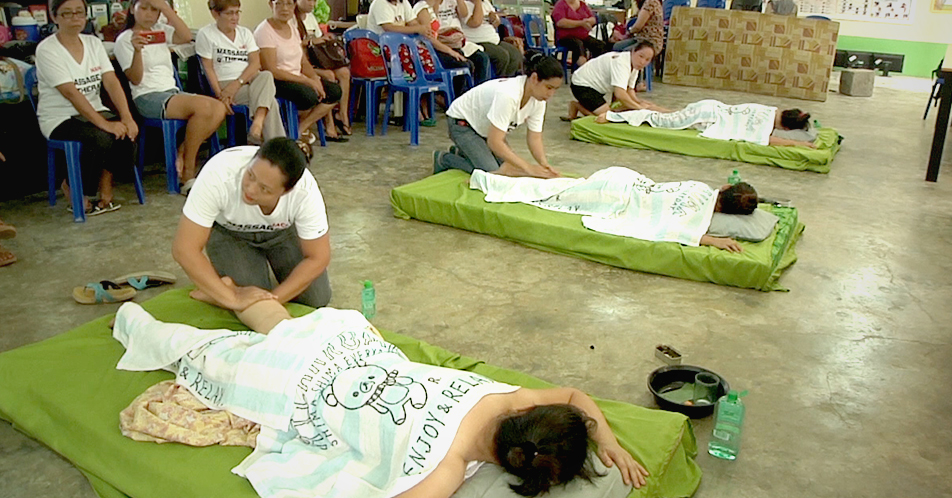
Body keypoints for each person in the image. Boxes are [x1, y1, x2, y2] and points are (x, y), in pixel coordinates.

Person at [112, 295, 649, 498]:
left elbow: (577, 395)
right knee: (206, 351)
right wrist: (606, 444)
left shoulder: (505, 398)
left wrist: (607, 438)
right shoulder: (444, 471)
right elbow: (577, 395)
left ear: (528, 415)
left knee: (261, 324)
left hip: (337, 354)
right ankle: (145, 314)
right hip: (314, 378)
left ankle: (221, 296)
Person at [171, 137, 332, 311]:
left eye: (264, 189)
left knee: (317, 298)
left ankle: (222, 290)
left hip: (282, 232)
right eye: (250, 175)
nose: (250, 189)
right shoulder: (219, 173)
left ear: (287, 191)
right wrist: (233, 298)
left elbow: (318, 257)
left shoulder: (304, 191)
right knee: (249, 295)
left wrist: (272, 300)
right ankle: (221, 287)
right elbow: (184, 249)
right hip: (230, 232)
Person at [470, 166, 760, 252]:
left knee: (555, 188)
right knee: (548, 193)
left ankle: (485, 177)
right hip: (616, 195)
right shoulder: (701, 212)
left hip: (624, 179)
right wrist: (712, 240)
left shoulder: (699, 185)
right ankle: (484, 180)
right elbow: (671, 228)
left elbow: (674, 225)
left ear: (724, 189)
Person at [36, 0, 139, 215]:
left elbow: (111, 82)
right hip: (59, 117)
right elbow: (71, 93)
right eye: (67, 14)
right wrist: (105, 124)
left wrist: (127, 117)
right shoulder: (47, 49)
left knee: (127, 134)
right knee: (101, 136)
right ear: (54, 17)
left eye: (79, 13)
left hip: (94, 110)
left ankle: (105, 185)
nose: (75, 18)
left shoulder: (93, 43)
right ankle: (73, 187)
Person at [115, 0, 227, 192]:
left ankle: (182, 152)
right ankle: (188, 173)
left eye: (154, 10)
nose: (149, 14)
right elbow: (135, 79)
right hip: (148, 96)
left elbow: (185, 36)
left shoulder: (160, 31)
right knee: (205, 107)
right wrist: (137, 51)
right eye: (143, 8)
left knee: (219, 108)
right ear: (133, 10)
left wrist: (166, 9)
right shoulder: (125, 39)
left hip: (171, 92)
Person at [434, 52, 563, 178]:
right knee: (494, 172)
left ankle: (465, 152)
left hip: (485, 129)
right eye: (549, 87)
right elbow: (495, 142)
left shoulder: (539, 99)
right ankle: (444, 159)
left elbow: (534, 137)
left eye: (555, 90)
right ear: (534, 78)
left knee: (508, 166)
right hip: (463, 123)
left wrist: (544, 164)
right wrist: (528, 168)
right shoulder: (509, 95)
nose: (551, 94)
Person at [255, 0, 348, 144]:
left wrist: (314, 78)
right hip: (278, 80)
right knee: (309, 96)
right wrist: (307, 81)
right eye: (279, 3)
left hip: (298, 76)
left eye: (289, 4)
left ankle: (299, 129)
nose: (284, 8)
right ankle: (292, 129)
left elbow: (302, 61)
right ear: (271, 5)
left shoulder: (292, 28)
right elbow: (271, 70)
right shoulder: (264, 31)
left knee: (334, 91)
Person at [196, 0, 285, 144]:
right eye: (230, 13)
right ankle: (278, 148)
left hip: (248, 80)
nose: (235, 17)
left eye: (237, 12)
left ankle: (258, 123)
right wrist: (220, 95)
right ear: (215, 14)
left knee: (266, 75)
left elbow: (255, 63)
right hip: (225, 84)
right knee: (271, 101)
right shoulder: (206, 34)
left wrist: (238, 83)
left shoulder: (245, 33)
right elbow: (208, 68)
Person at [596, 100, 818, 148]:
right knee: (661, 122)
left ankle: (654, 108)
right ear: (787, 127)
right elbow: (768, 140)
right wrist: (800, 145)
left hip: (709, 108)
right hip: (707, 115)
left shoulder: (769, 109)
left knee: (674, 116)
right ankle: (613, 116)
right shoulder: (767, 123)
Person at [562, 41, 667, 121]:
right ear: (633, 51)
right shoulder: (622, 62)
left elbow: (629, 90)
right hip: (581, 85)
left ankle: (589, 106)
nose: (643, 62)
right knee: (607, 116)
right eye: (641, 56)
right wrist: (639, 109)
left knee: (631, 106)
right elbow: (620, 93)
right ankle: (577, 106)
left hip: (597, 88)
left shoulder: (635, 65)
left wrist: (639, 102)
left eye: (647, 60)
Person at [295, 0, 352, 135]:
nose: (312, 4)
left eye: (314, 1)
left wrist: (326, 38)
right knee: (329, 76)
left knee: (344, 72)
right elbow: (290, 45)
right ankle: (329, 122)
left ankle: (342, 114)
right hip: (302, 63)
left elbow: (319, 39)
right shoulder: (291, 19)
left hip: (317, 60)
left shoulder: (311, 17)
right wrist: (310, 41)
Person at [416, 0, 491, 83]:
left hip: (456, 42)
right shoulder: (423, 8)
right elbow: (430, 38)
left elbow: (464, 14)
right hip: (435, 47)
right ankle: (459, 94)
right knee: (465, 65)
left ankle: (478, 92)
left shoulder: (430, 6)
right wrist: (450, 51)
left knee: (481, 58)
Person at [460, 0, 522, 77]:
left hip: (493, 39)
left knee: (515, 54)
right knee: (502, 55)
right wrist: (477, 3)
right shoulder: (464, 4)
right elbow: (475, 22)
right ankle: (496, 82)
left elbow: (496, 23)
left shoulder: (486, 3)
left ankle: (507, 82)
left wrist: (494, 19)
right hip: (477, 41)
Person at [551, 0, 605, 68]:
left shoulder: (582, 5)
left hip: (583, 36)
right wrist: (581, 23)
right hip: (566, 37)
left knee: (599, 45)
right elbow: (560, 22)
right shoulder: (561, 5)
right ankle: (578, 69)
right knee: (578, 45)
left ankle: (596, 69)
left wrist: (588, 21)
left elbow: (593, 18)